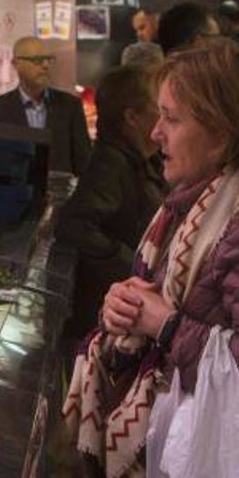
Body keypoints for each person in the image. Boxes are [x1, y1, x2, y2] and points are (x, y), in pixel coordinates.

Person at [63, 38, 239, 478]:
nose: (156, 131)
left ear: (223, 127)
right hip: (189, 474)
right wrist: (125, 311)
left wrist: (163, 323)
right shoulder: (186, 207)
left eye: (173, 117)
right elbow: (162, 303)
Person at [55, 65, 166, 347]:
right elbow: (74, 224)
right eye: (159, 108)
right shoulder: (111, 164)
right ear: (132, 117)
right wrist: (130, 264)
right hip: (106, 322)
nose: (163, 118)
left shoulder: (143, 162)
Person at [0, 36, 91, 175]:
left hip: (60, 193)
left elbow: (84, 163)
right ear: (16, 64)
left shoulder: (70, 106)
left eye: (48, 59)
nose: (45, 65)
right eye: (37, 60)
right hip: (15, 193)